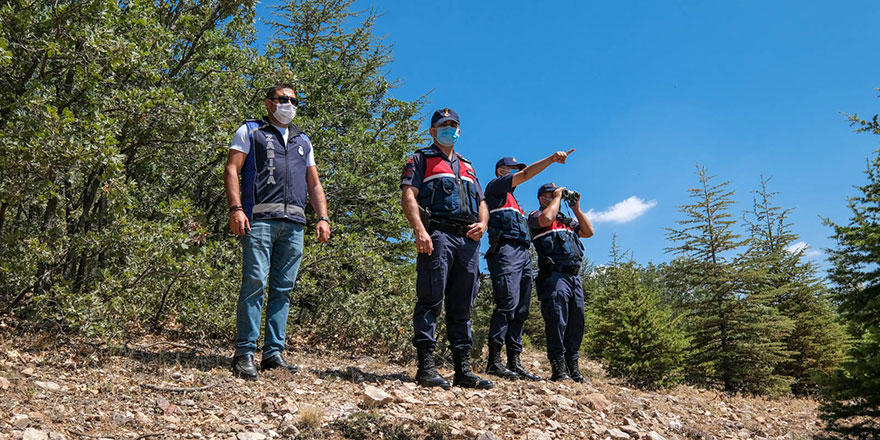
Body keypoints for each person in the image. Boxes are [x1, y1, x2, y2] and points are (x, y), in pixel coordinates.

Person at [223, 83, 331, 381]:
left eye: (294, 100)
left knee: (283, 289)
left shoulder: (302, 140)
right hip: (258, 219)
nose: (289, 104)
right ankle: (245, 352)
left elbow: (314, 183)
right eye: (283, 99)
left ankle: (273, 353)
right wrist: (236, 209)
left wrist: (322, 217)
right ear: (269, 103)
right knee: (255, 282)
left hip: (294, 224)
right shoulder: (250, 131)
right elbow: (232, 169)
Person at [400, 108, 492, 390]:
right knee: (430, 299)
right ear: (432, 130)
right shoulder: (421, 159)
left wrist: (484, 224)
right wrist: (420, 230)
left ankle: (463, 370)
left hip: (468, 240)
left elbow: (482, 201)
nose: (449, 129)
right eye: (443, 125)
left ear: (460, 131)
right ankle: (426, 367)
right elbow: (408, 196)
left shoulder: (468, 165)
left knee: (463, 305)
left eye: (453, 125)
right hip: (437, 235)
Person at [483, 151, 575, 381]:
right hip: (506, 251)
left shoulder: (514, 202)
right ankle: (494, 361)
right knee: (507, 303)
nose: (515, 172)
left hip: (523, 254)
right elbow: (526, 174)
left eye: (516, 168)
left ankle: (514, 363)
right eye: (511, 169)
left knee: (521, 310)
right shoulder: (495, 189)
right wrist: (552, 159)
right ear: (500, 171)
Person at [528, 183, 594, 382]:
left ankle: (573, 368)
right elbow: (546, 218)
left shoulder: (567, 221)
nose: (557, 196)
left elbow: (588, 232)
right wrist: (557, 197)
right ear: (542, 198)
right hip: (554, 276)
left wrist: (575, 208)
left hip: (574, 277)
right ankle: (558, 369)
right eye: (551, 194)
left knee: (576, 322)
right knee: (557, 321)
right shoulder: (534, 216)